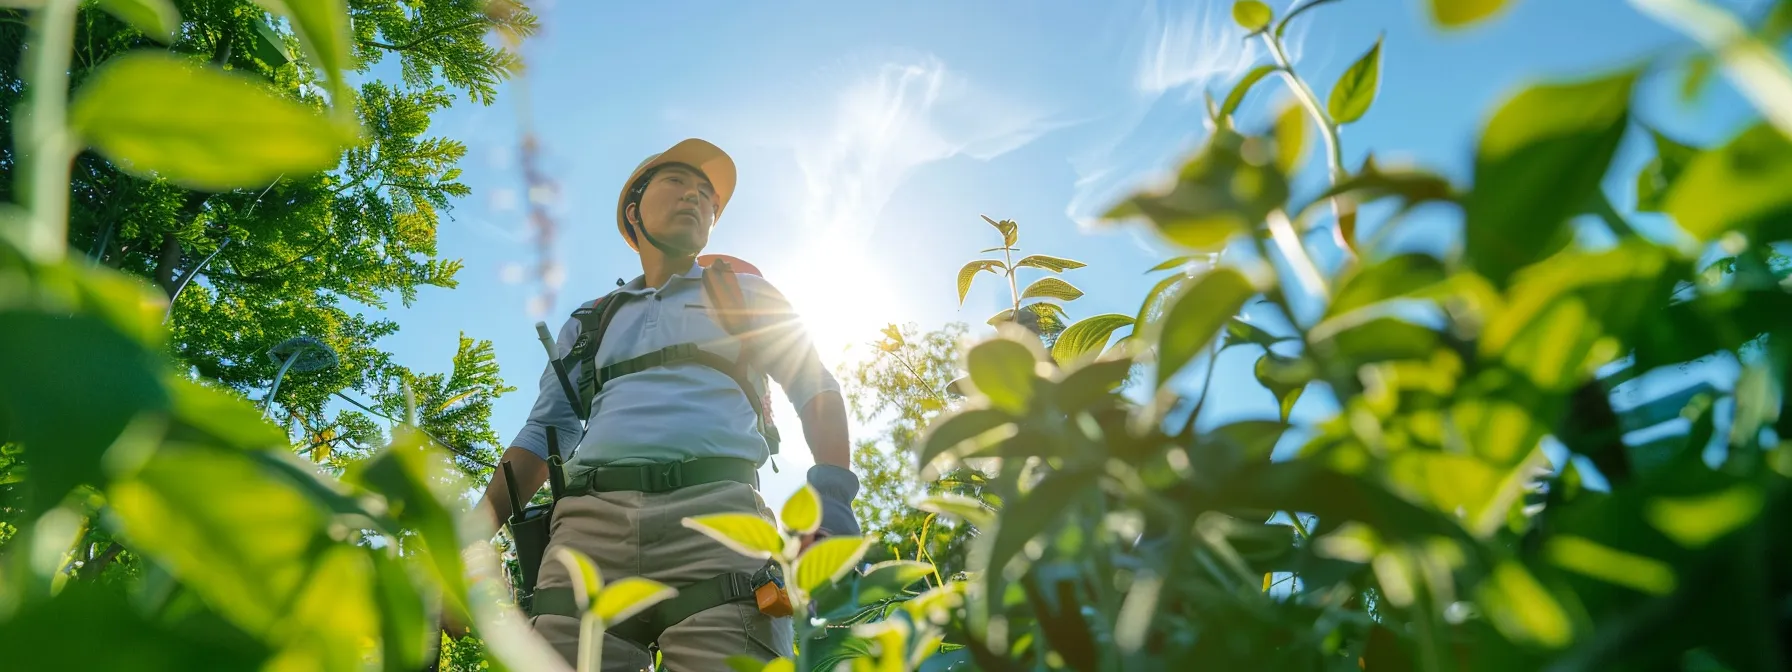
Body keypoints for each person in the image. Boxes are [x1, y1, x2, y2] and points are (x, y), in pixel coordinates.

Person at [472, 138, 860, 670]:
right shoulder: (591, 320)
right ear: (634, 211)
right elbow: (544, 431)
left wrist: (833, 497)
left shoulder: (746, 292)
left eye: (707, 195)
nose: (696, 197)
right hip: (587, 530)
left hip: (719, 522)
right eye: (677, 182)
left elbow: (815, 387)